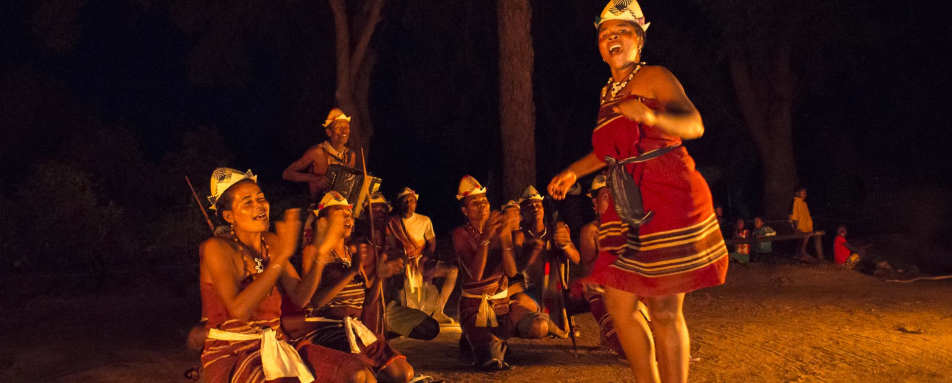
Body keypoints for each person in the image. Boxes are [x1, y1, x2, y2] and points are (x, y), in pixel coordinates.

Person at [547, 2, 729, 381]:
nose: (611, 38)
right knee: (618, 301)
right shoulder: (608, 92)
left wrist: (652, 116)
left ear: (639, 40)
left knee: (663, 307)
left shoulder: (657, 76)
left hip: (667, 193)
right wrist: (572, 172)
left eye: (621, 31)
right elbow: (609, 150)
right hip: (628, 198)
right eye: (604, 34)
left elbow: (694, 123)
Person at [199, 168, 375, 383]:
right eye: (248, 202)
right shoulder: (216, 248)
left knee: (357, 372)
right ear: (228, 216)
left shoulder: (271, 242)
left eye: (261, 199)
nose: (260, 206)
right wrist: (281, 257)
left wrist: (320, 253)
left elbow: (301, 297)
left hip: (277, 343)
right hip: (234, 350)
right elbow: (239, 310)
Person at [295, 191, 415, 383]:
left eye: (349, 214)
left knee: (405, 373)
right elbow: (314, 301)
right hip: (328, 330)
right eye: (340, 213)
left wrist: (379, 277)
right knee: (362, 377)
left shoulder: (352, 252)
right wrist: (351, 272)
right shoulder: (313, 251)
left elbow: (369, 301)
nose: (348, 218)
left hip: (357, 330)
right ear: (323, 220)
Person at [451, 175, 520, 370]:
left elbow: (512, 271)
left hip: (500, 304)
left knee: (532, 325)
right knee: (491, 356)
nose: (482, 206)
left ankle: (477, 339)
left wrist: (505, 238)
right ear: (465, 211)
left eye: (484, 201)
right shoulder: (460, 234)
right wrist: (486, 238)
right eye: (475, 203)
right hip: (474, 305)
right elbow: (476, 275)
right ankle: (477, 339)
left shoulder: (499, 229)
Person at [574, 174, 630, 358]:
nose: (594, 204)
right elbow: (590, 274)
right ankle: (612, 334)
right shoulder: (590, 231)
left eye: (604, 197)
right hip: (603, 289)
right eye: (596, 198)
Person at [386, 187, 459, 326]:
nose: (409, 204)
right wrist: (403, 258)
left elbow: (432, 243)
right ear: (400, 204)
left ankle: (438, 310)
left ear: (416, 203)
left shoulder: (424, 220)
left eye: (412, 201)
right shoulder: (392, 222)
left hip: (421, 261)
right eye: (405, 201)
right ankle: (409, 315)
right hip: (402, 263)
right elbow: (390, 246)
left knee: (452, 271)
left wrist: (426, 257)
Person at [512, 185, 578, 336]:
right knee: (520, 303)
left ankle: (553, 323)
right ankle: (555, 326)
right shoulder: (520, 236)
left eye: (538, 204)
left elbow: (576, 258)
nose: (535, 208)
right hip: (530, 293)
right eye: (529, 206)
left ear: (543, 209)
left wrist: (565, 245)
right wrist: (533, 250)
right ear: (522, 213)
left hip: (554, 293)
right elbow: (517, 269)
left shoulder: (556, 230)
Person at [283, 108, 358, 201]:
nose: (344, 131)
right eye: (339, 128)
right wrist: (315, 178)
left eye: (347, 127)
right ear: (329, 132)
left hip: (341, 206)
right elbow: (287, 174)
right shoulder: (317, 152)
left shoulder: (351, 155)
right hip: (319, 207)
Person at [789, 186, 816, 262]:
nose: (805, 194)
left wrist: (810, 226)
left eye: (805, 193)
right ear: (798, 193)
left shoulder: (804, 204)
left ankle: (799, 254)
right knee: (804, 236)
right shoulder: (796, 202)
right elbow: (794, 216)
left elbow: (806, 216)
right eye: (803, 193)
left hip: (805, 227)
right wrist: (796, 227)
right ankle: (802, 253)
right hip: (799, 227)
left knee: (806, 235)